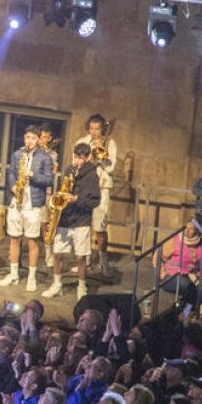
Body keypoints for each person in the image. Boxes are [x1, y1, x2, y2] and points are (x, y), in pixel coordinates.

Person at [42, 143, 101, 300]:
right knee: (57, 254)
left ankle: (82, 286)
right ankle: (57, 285)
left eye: (80, 158)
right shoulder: (69, 170)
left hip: (81, 220)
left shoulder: (92, 175)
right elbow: (63, 189)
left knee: (81, 257)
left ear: (87, 157)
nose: (77, 161)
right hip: (65, 218)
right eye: (75, 157)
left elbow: (95, 201)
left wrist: (75, 198)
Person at [0, 126, 55, 290]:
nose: (29, 140)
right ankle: (14, 274)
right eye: (27, 137)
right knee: (14, 239)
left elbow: (49, 180)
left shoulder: (45, 157)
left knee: (32, 241)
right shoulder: (18, 154)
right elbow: (11, 173)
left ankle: (32, 277)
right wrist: (13, 187)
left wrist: (33, 175)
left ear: (38, 139)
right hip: (17, 202)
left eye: (32, 137)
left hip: (33, 204)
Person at [75, 114, 117, 275]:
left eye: (97, 129)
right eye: (91, 128)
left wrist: (102, 155)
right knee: (83, 225)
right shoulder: (82, 142)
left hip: (102, 187)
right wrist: (89, 158)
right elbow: (76, 165)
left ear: (102, 129)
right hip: (85, 188)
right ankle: (84, 260)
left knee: (100, 226)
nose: (94, 132)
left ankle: (103, 260)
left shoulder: (110, 143)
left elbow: (111, 168)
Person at [158, 221, 202, 309]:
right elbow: (158, 256)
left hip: (191, 275)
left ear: (196, 231)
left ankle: (187, 313)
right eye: (185, 228)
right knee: (191, 288)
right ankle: (188, 312)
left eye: (190, 229)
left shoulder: (201, 245)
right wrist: (162, 273)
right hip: (172, 275)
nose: (187, 231)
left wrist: (198, 275)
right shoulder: (175, 241)